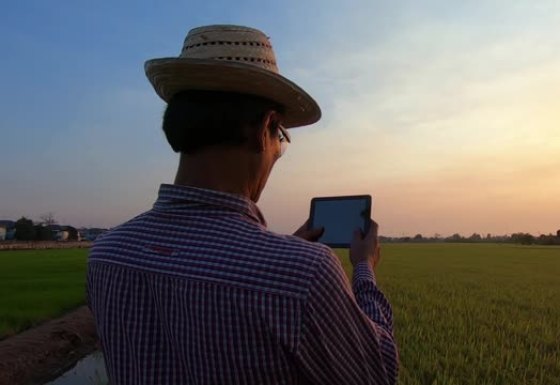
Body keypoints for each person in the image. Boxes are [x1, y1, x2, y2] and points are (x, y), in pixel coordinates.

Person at [87, 25, 398, 385]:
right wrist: (363, 267)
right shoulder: (305, 273)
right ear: (263, 128)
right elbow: (377, 374)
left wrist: (281, 249)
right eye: (280, 137)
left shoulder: (106, 254)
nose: (278, 152)